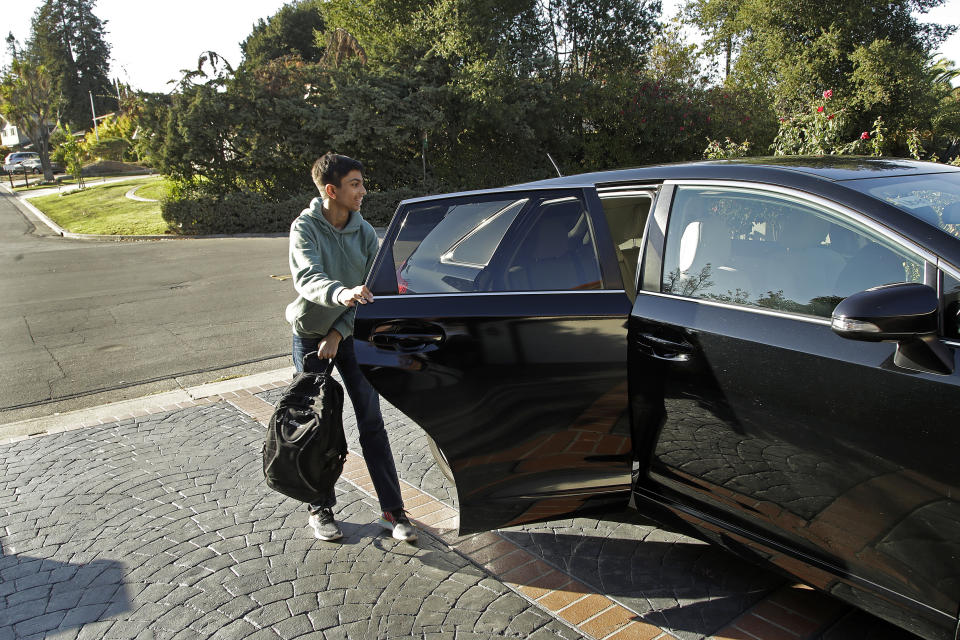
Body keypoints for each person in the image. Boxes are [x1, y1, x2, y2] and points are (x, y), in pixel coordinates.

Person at [286, 152, 416, 543]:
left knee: (371, 421)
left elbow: (373, 289)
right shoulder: (304, 228)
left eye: (362, 182)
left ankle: (393, 511)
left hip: (348, 332)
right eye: (355, 184)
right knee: (318, 424)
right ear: (331, 190)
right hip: (310, 335)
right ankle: (319, 507)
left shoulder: (364, 233)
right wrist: (341, 295)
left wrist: (340, 331)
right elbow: (307, 277)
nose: (363, 190)